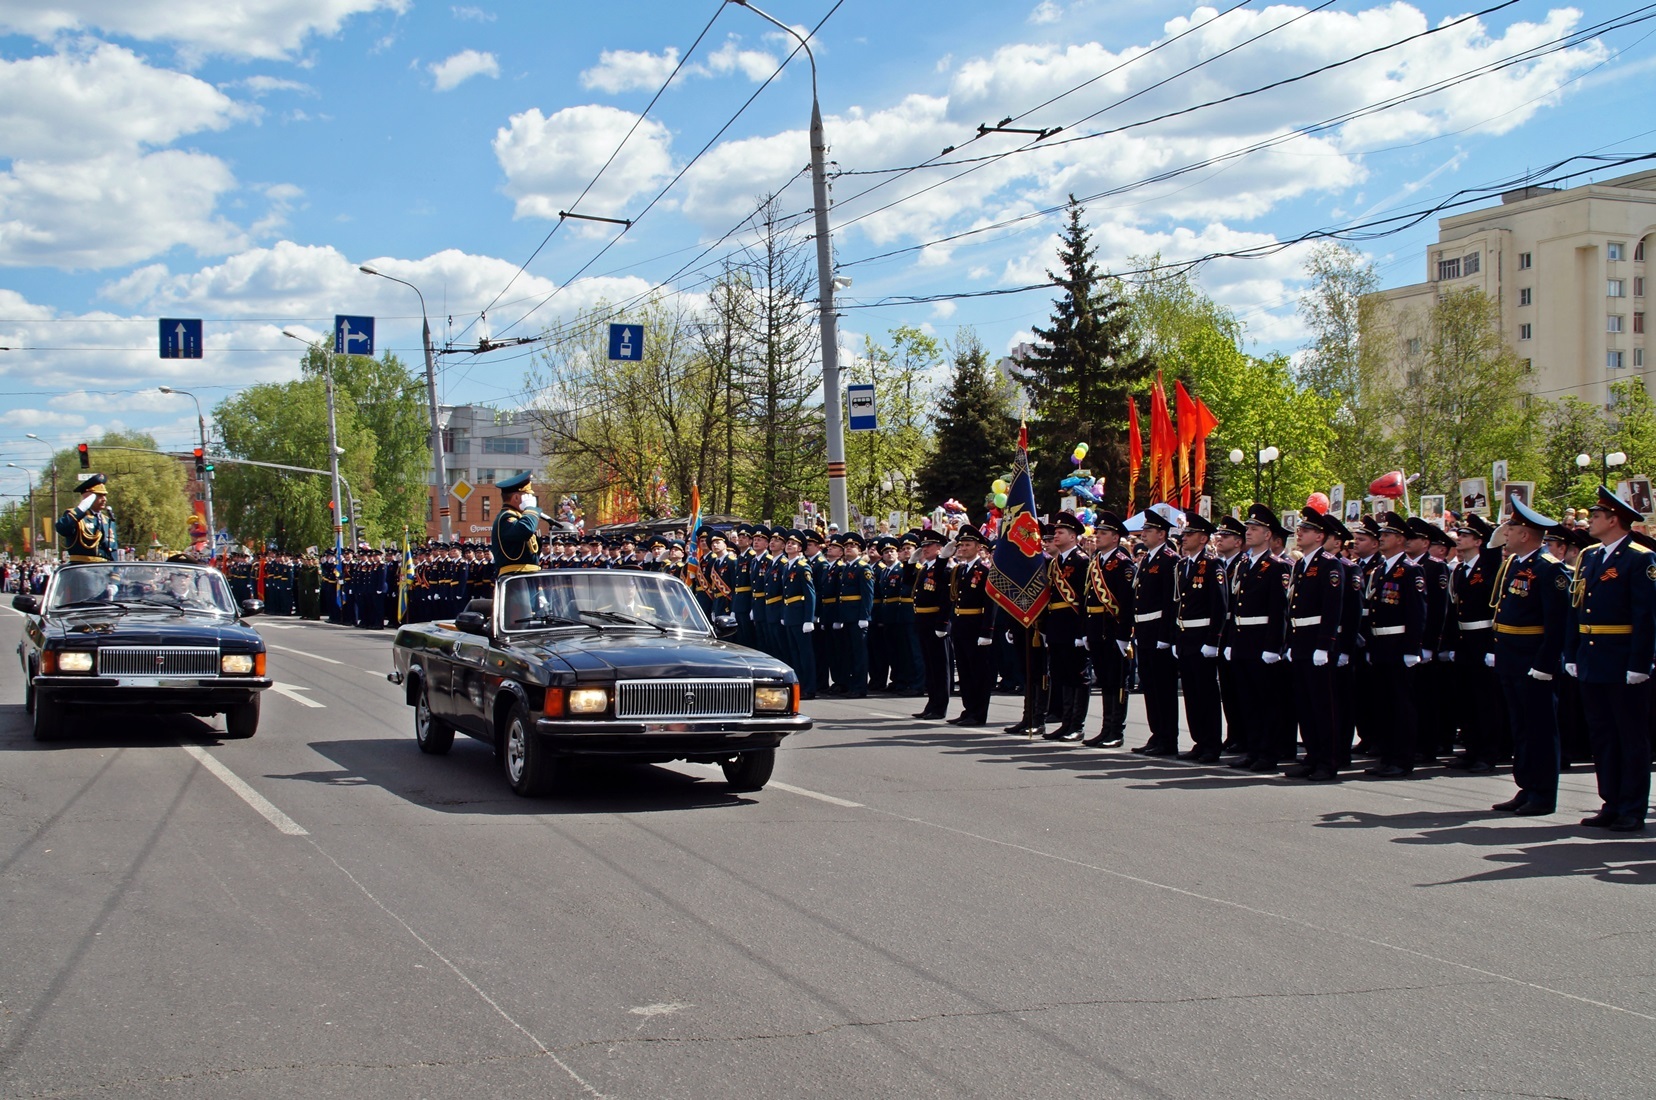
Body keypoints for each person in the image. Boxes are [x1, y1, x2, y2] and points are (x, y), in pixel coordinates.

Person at [1563, 485, 1656, 832]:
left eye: (1597, 516)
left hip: (1622, 660)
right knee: (1602, 734)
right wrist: (1572, 652)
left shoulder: (1639, 557)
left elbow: (1646, 616)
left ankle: (1632, 807)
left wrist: (1639, 663)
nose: (1591, 521)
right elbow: (1577, 606)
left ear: (1614, 520)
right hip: (1591, 658)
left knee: (1630, 736)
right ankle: (1611, 802)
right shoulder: (1590, 557)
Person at [1487, 498, 1569, 816]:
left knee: (1540, 728)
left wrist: (1545, 664)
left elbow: (1557, 623)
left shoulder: (1549, 569)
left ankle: (1543, 793)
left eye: (1513, 527)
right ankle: (1526, 785)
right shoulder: (1517, 565)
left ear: (1526, 534)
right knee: (1520, 726)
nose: (1506, 532)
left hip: (1533, 660)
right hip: (1511, 656)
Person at [1228, 504, 1296, 773]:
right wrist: (1232, 642)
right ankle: (1254, 750)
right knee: (1248, 701)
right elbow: (1236, 607)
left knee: (1267, 701)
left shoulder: (1276, 566)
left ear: (1268, 535)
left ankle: (1268, 753)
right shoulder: (1245, 564)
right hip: (1243, 639)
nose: (1249, 532)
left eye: (1254, 529)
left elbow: (1280, 610)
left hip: (1262, 641)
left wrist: (1273, 646)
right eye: (1248, 528)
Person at [1363, 511, 1427, 778]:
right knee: (1383, 704)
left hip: (1400, 645)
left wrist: (1413, 649)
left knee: (1401, 705)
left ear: (1400, 540)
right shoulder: (1380, 570)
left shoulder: (1411, 570)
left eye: (1387, 535)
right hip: (1380, 644)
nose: (1382, 538)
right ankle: (1387, 756)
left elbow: (1417, 612)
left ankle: (1402, 759)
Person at [1171, 513, 1227, 763]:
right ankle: (1199, 741)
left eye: (1190, 534)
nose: (1184, 538)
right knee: (1192, 694)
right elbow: (1178, 605)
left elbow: (1220, 606)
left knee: (1206, 694)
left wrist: (1213, 640)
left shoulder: (1213, 565)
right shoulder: (1183, 565)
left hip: (1203, 637)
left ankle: (1211, 744)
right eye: (1184, 534)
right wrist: (1175, 637)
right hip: (1185, 636)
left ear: (1203, 538)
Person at [1082, 511, 1135, 747]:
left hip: (1113, 630)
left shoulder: (1123, 564)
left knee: (1117, 681)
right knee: (1104, 680)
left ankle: (1116, 731)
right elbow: (1087, 599)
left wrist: (1124, 636)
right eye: (1098, 533)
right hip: (1096, 628)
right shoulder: (1096, 562)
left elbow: (1126, 603)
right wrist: (1086, 630)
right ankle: (1105, 728)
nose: (1098, 537)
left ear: (1115, 538)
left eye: (1103, 534)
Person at [1132, 510, 1180, 754]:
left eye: (1149, 530)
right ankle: (1156, 734)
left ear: (1162, 534)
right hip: (1144, 629)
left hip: (1158, 630)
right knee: (1150, 687)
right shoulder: (1148, 559)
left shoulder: (1169, 559)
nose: (1144, 534)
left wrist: (1165, 636)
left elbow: (1170, 602)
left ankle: (1167, 738)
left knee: (1163, 688)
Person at [1041, 512, 1091, 742]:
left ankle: (1077, 725)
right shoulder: (1056, 563)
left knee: (1076, 675)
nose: (1056, 536)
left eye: (1060, 533)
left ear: (1073, 536)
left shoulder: (1081, 561)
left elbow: (1084, 599)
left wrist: (1082, 632)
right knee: (1060, 674)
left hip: (1073, 626)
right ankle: (1065, 722)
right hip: (1057, 626)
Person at [946, 524, 993, 726]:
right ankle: (969, 708)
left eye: (967, 545)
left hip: (976, 626)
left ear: (978, 547)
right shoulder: (960, 570)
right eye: (961, 545)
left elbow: (990, 604)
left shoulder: (984, 571)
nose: (963, 548)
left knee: (978, 672)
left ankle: (978, 712)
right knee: (964, 671)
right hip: (961, 626)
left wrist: (987, 631)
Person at [912, 528, 952, 719]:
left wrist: (943, 624)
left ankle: (939, 706)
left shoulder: (944, 568)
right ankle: (931, 702)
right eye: (923, 546)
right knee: (929, 664)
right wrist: (909, 563)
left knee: (939, 665)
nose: (924, 549)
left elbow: (946, 598)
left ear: (939, 548)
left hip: (935, 620)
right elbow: (907, 583)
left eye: (929, 546)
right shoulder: (925, 568)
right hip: (923, 620)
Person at [491, 473, 544, 579]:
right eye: (527, 495)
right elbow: (525, 529)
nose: (531, 498)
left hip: (526, 575)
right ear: (516, 497)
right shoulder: (506, 517)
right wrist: (530, 509)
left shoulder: (518, 517)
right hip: (516, 577)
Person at [57, 474, 118, 563]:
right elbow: (62, 528)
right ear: (88, 497)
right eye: (99, 495)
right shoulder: (75, 516)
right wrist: (81, 509)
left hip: (104, 570)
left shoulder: (108, 521)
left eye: (105, 495)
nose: (104, 499)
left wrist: (115, 573)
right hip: (81, 569)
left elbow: (113, 551)